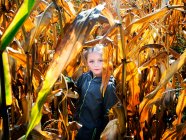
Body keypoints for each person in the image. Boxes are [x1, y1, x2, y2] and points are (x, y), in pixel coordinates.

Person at [73, 44, 118, 140]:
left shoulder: (108, 87)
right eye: (91, 61)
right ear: (87, 63)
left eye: (100, 60)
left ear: (107, 61)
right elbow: (74, 90)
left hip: (93, 132)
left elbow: (110, 117)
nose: (96, 64)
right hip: (78, 127)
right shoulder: (85, 77)